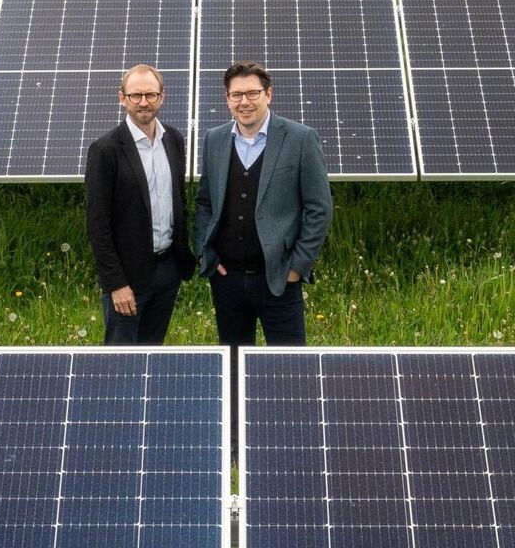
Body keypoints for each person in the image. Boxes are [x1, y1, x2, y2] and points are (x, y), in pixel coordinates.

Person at [194, 59, 333, 352]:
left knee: (289, 367)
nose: (244, 102)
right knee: (233, 366)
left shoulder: (300, 138)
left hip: (279, 279)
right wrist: (206, 254)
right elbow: (205, 202)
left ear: (268, 94)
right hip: (227, 281)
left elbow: (319, 209)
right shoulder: (214, 139)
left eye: (252, 93)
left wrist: (298, 266)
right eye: (236, 95)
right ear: (227, 99)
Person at [86, 64, 195, 344]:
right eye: (136, 95)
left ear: (162, 96)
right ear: (122, 98)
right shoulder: (105, 150)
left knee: (152, 354)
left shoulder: (174, 140)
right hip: (128, 277)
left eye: (150, 94)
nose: (143, 102)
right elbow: (98, 225)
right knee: (121, 359)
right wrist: (116, 284)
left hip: (168, 269)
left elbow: (179, 202)